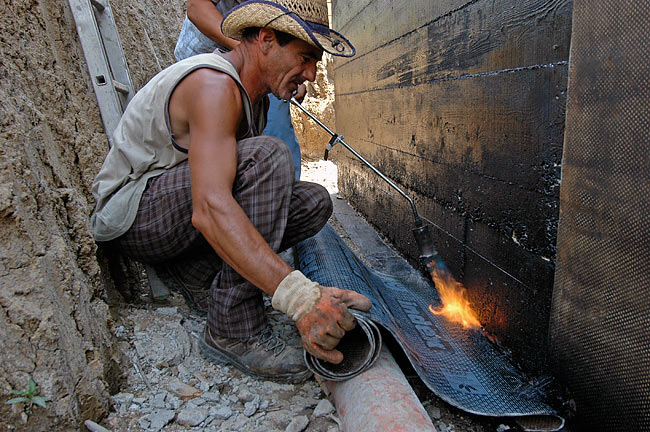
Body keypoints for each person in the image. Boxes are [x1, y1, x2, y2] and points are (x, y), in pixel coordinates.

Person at [90, 0, 369, 384]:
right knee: (268, 158)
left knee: (312, 202)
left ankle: (198, 276)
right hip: (135, 214)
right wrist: (301, 299)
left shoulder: (249, 96)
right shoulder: (214, 85)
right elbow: (210, 207)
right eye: (305, 58)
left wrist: (310, 288)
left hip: (174, 213)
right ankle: (232, 327)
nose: (311, 75)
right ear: (267, 40)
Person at [175, 0, 304, 180]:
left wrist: (291, 73)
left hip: (262, 57)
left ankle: (282, 195)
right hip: (211, 54)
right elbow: (197, 7)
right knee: (214, 148)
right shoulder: (209, 81)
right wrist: (248, 52)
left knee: (276, 135)